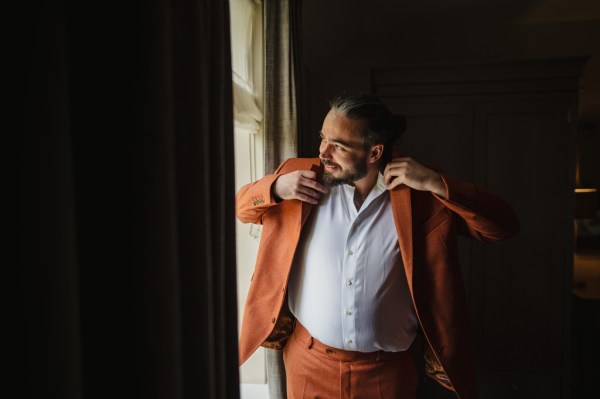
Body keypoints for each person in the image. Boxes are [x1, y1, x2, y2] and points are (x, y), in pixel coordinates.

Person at [236, 94, 519, 399]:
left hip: (387, 374)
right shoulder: (300, 176)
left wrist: (437, 182)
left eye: (338, 146)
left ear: (374, 153)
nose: (322, 152)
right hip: (308, 364)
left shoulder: (420, 193)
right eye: (323, 138)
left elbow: (502, 228)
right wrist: (275, 187)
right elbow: (242, 209)